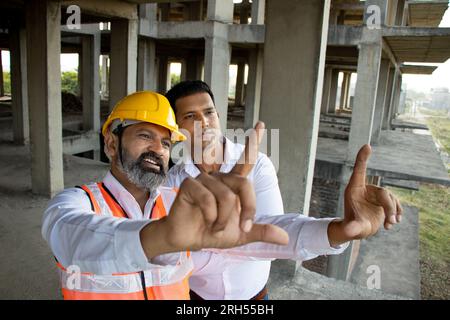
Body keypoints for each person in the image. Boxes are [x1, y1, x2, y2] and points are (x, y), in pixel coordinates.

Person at [42, 90, 402, 300]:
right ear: (110, 142)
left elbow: (266, 232)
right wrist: (162, 236)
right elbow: (70, 235)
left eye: (166, 143)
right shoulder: (76, 202)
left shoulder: (177, 200)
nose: (157, 150)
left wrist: (338, 229)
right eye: (144, 137)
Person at [164, 80, 403, 300]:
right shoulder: (172, 183)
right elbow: (175, 255)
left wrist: (339, 230)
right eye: (190, 116)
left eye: (208, 112)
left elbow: (274, 236)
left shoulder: (257, 164)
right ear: (177, 128)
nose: (204, 122)